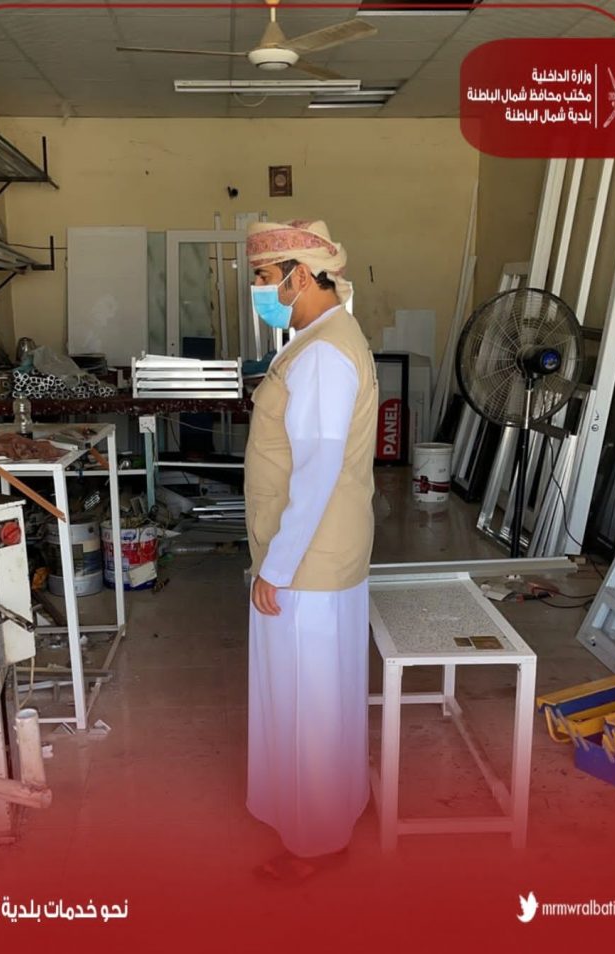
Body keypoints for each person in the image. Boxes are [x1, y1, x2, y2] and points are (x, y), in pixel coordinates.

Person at [243, 219, 378, 884]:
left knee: (309, 702)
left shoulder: (323, 354)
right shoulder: (322, 339)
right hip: (323, 552)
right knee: (325, 692)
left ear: (299, 275)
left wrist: (275, 568)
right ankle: (332, 812)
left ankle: (316, 847)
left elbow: (318, 468)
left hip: (306, 559)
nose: (259, 291)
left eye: (264, 278)